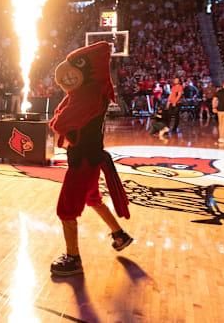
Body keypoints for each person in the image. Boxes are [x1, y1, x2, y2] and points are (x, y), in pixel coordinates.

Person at [48, 43, 132, 277]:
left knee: (66, 210)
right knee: (93, 199)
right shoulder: (91, 92)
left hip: (83, 161)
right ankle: (119, 235)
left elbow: (59, 123)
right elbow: (61, 118)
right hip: (90, 158)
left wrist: (58, 120)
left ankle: (73, 258)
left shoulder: (86, 95)